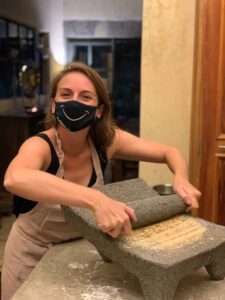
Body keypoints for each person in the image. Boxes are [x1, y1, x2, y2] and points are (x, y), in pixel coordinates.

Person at [1, 62, 201, 299]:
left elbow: (169, 152)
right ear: (54, 104)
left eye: (85, 97)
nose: (74, 102)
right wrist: (96, 199)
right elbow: (15, 178)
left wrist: (181, 178)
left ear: (98, 110)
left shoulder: (106, 141)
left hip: (76, 251)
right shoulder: (40, 146)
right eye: (66, 94)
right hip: (29, 257)